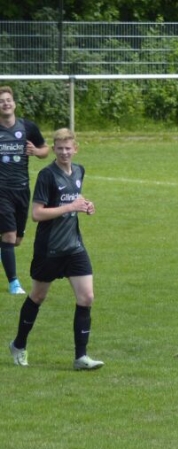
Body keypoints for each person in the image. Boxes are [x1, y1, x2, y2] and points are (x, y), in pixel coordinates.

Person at [9, 128, 102, 370]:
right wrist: (70, 206)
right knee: (38, 296)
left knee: (87, 297)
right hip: (49, 248)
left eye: (68, 148)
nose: (64, 152)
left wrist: (86, 205)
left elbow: (73, 198)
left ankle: (81, 357)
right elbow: (36, 214)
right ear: (54, 149)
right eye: (59, 148)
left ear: (75, 149)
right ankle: (18, 344)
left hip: (74, 247)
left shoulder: (79, 171)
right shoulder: (47, 175)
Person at [0, 86, 49, 296]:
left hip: (22, 189)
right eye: (1, 101)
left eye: (8, 100)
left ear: (14, 104)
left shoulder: (27, 127)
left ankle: (5, 250)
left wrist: (36, 151)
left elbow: (45, 149)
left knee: (16, 240)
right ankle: (14, 283)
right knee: (9, 236)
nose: (5, 103)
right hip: (1, 191)